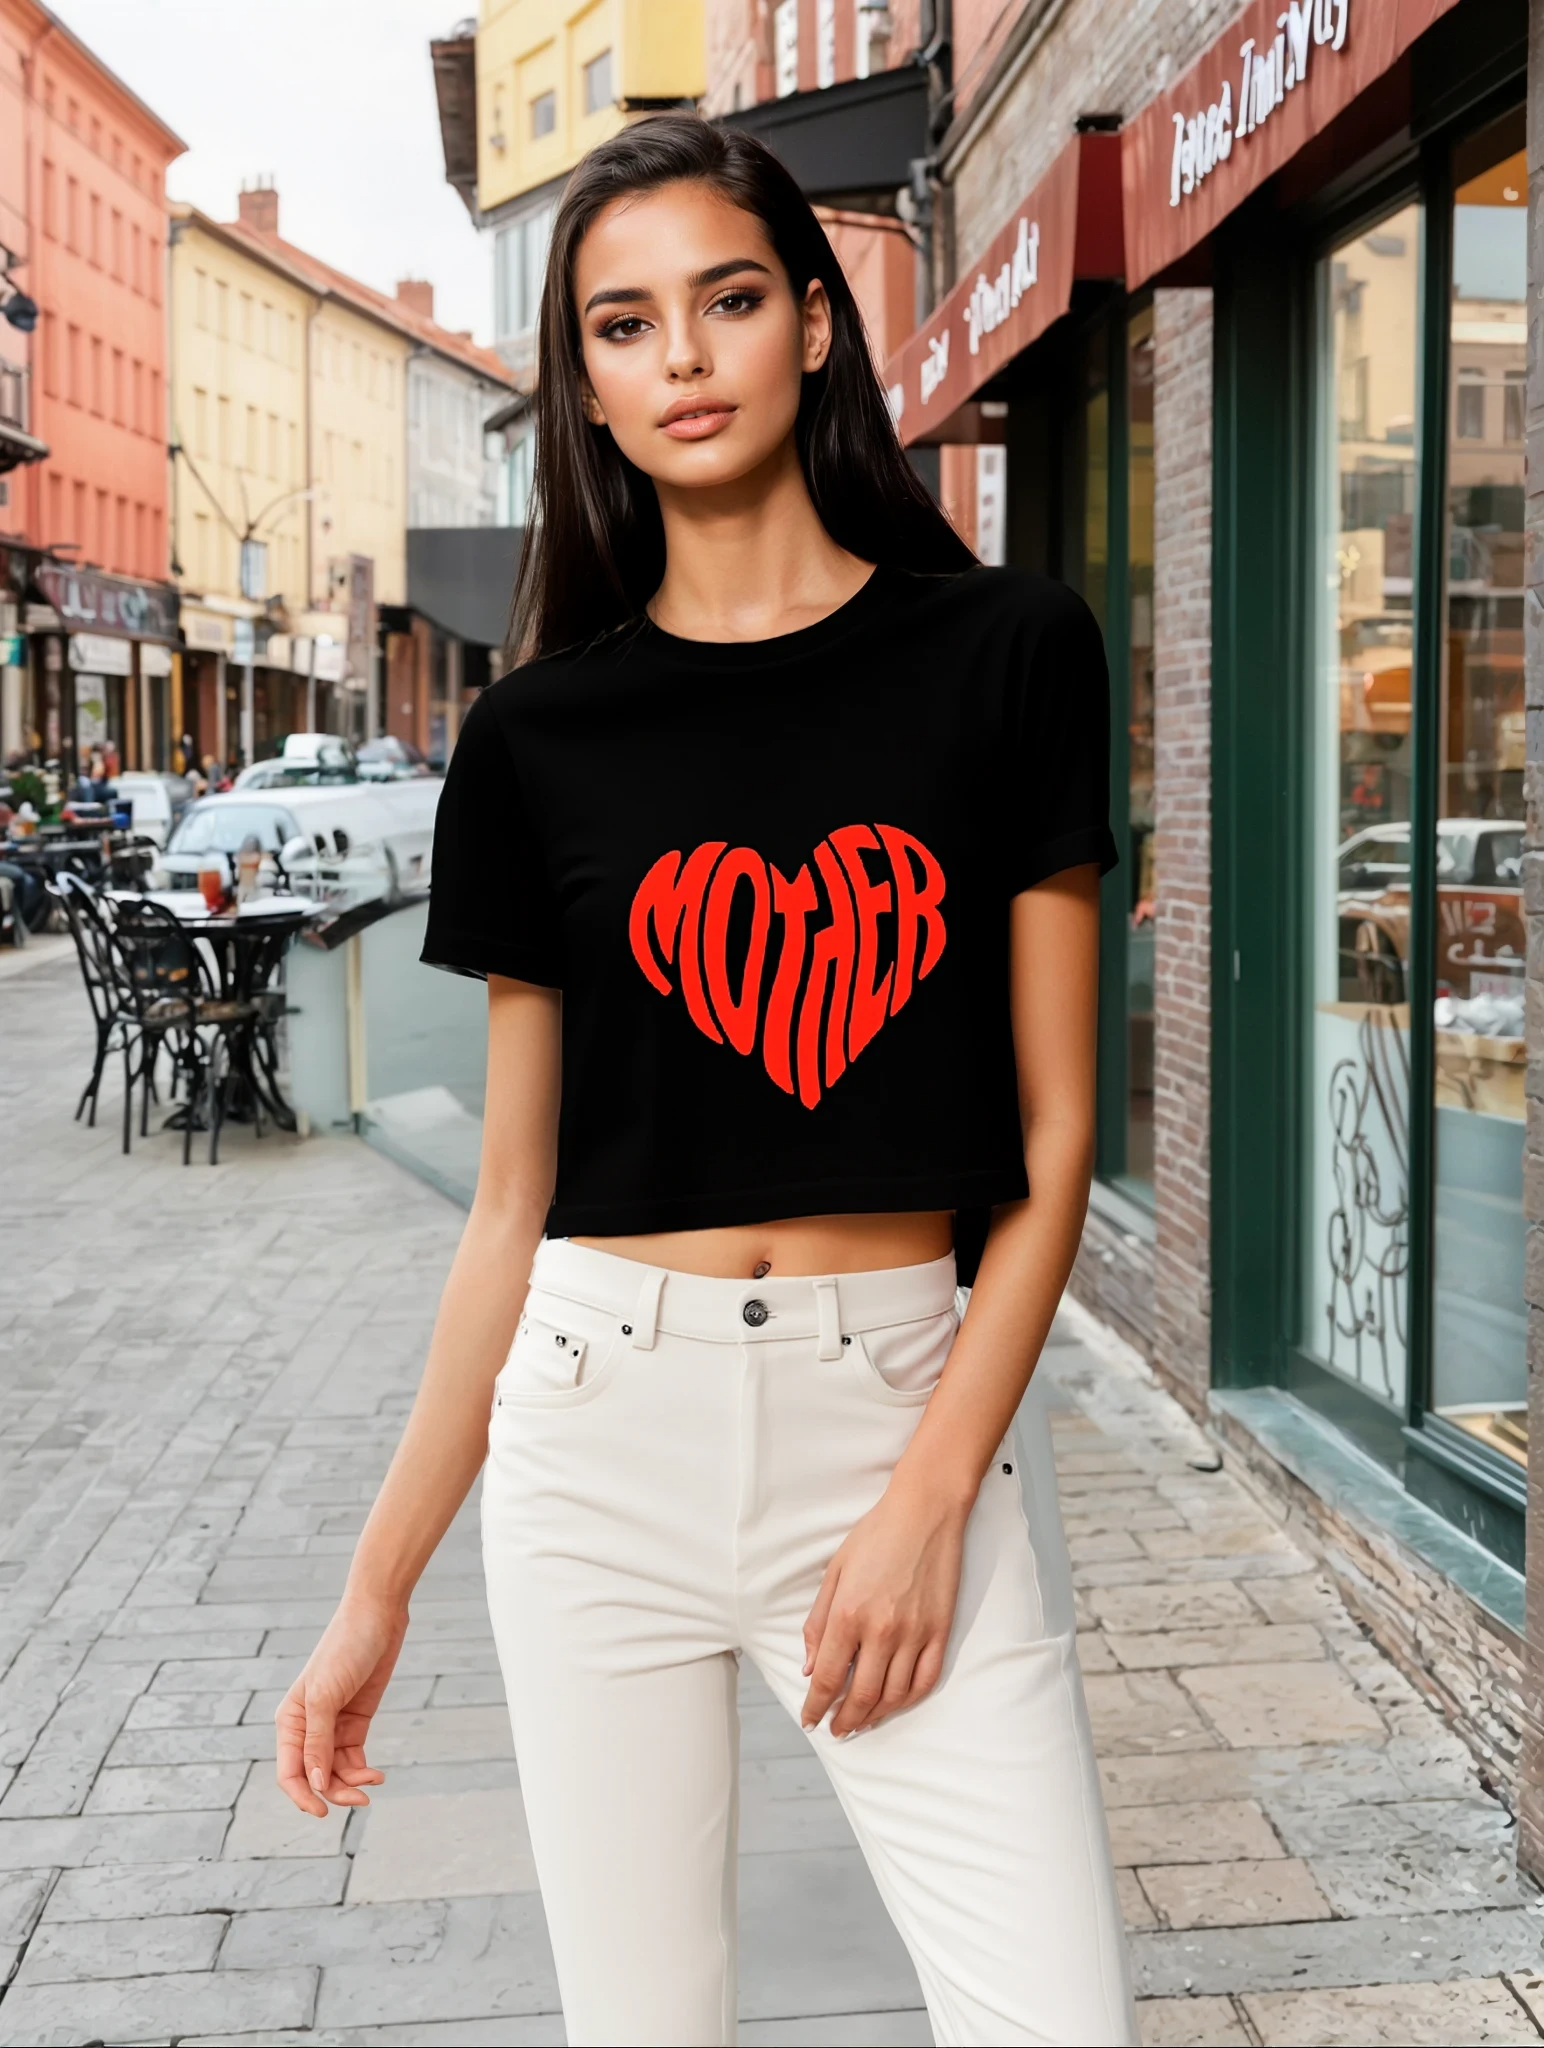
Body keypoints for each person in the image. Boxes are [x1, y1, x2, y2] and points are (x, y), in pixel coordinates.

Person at [276, 114, 1134, 2048]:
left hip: (905, 1395)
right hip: (599, 1433)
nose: (682, 358)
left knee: (1057, 2021)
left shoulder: (1010, 653)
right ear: (582, 378)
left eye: (729, 301)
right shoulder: (534, 736)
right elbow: (511, 1204)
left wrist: (930, 1498)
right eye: (625, 323)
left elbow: (1058, 1139)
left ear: (813, 327)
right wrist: (373, 1591)